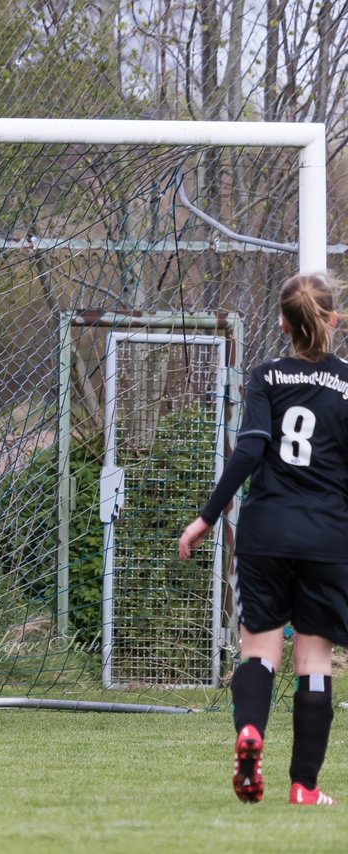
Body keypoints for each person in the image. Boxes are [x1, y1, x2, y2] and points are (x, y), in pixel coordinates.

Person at [179, 271, 346, 806]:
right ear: (333, 320)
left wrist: (206, 518)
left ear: (282, 322)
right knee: (314, 661)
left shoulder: (265, 376)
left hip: (265, 531)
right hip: (327, 537)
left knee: (259, 652)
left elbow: (249, 452)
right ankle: (305, 786)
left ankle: (250, 734)